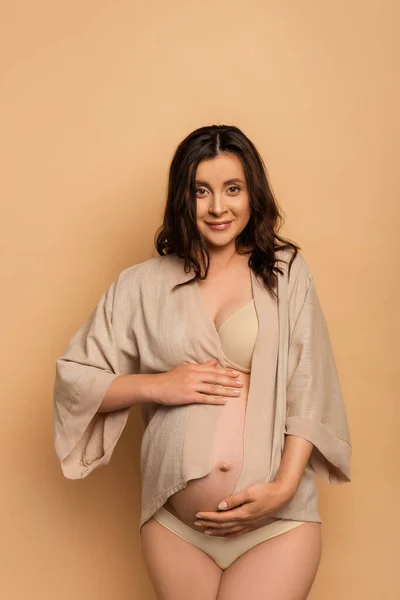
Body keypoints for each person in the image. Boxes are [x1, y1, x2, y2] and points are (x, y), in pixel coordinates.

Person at [53, 124, 352, 599]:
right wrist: (157, 385)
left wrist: (283, 488)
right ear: (182, 198)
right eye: (201, 191)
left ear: (252, 193)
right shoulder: (140, 285)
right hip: (176, 529)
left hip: (276, 522)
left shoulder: (285, 272)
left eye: (232, 189)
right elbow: (77, 378)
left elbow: (309, 383)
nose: (218, 207)